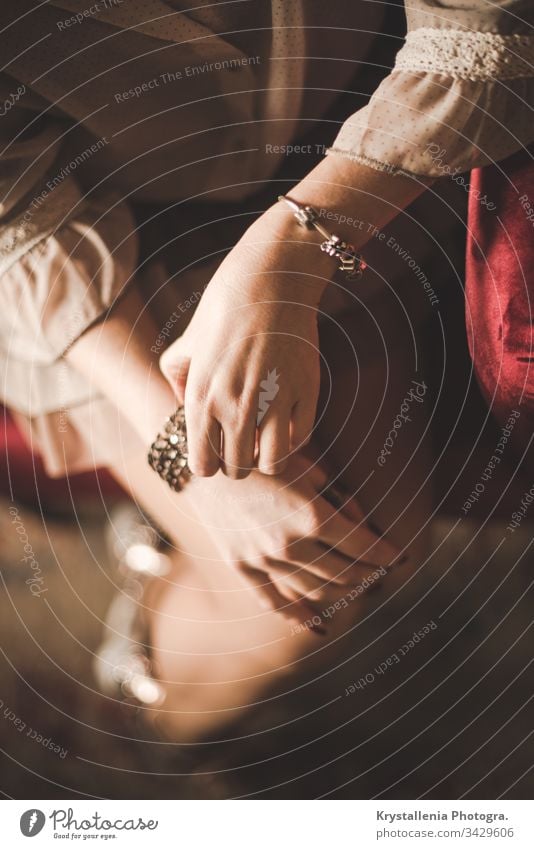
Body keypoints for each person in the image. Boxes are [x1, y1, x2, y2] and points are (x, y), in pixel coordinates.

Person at [0, 0, 532, 736]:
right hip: (97, 246)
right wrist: (182, 447)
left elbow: (486, 31)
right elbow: (14, 206)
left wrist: (293, 245)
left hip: (363, 160)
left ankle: (159, 583)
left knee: (367, 549)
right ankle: (154, 716)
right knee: (307, 595)